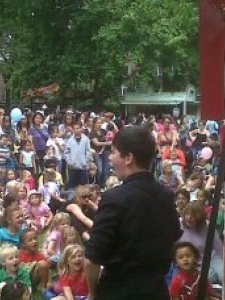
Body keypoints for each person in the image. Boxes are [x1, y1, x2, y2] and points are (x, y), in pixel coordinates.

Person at [84, 126, 181, 300]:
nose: (110, 157)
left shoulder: (114, 198)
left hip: (119, 292)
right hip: (156, 292)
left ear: (128, 158)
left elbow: (92, 260)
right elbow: (174, 238)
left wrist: (92, 293)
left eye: (113, 152)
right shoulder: (165, 196)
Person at [64, 121, 91, 189]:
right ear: (73, 130)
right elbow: (67, 152)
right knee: (72, 186)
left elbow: (88, 151)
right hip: (73, 167)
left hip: (83, 166)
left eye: (78, 128)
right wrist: (69, 162)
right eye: (75, 128)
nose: (76, 130)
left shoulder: (86, 139)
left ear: (81, 128)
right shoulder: (70, 140)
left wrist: (86, 161)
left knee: (83, 187)